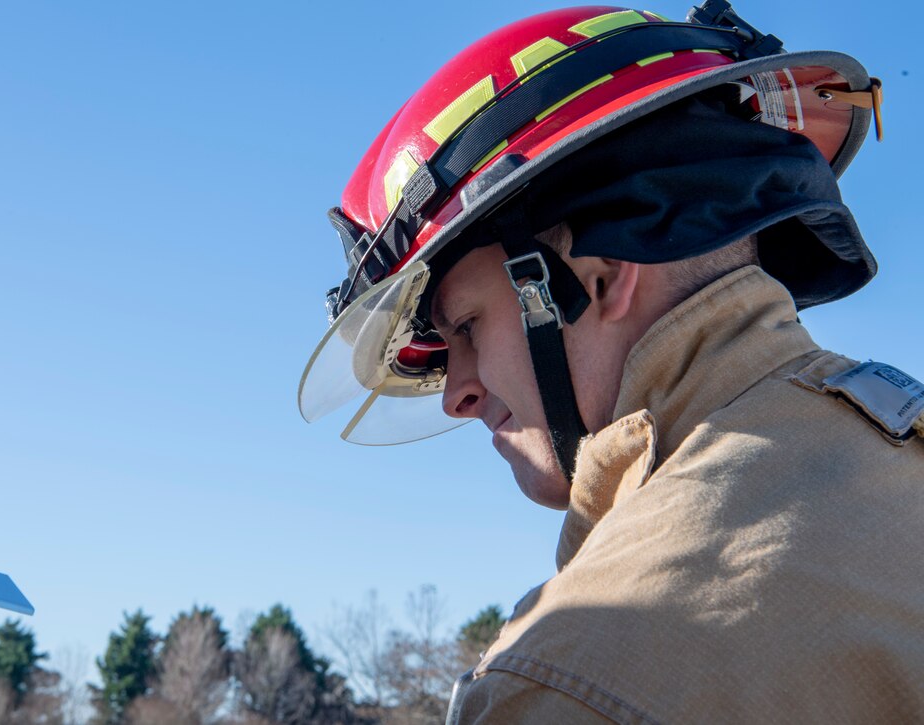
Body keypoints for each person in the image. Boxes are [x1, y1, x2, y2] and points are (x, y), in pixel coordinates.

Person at [298, 1, 924, 721]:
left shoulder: (568, 677)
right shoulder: (890, 467)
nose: (457, 395)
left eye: (466, 326)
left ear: (601, 269)